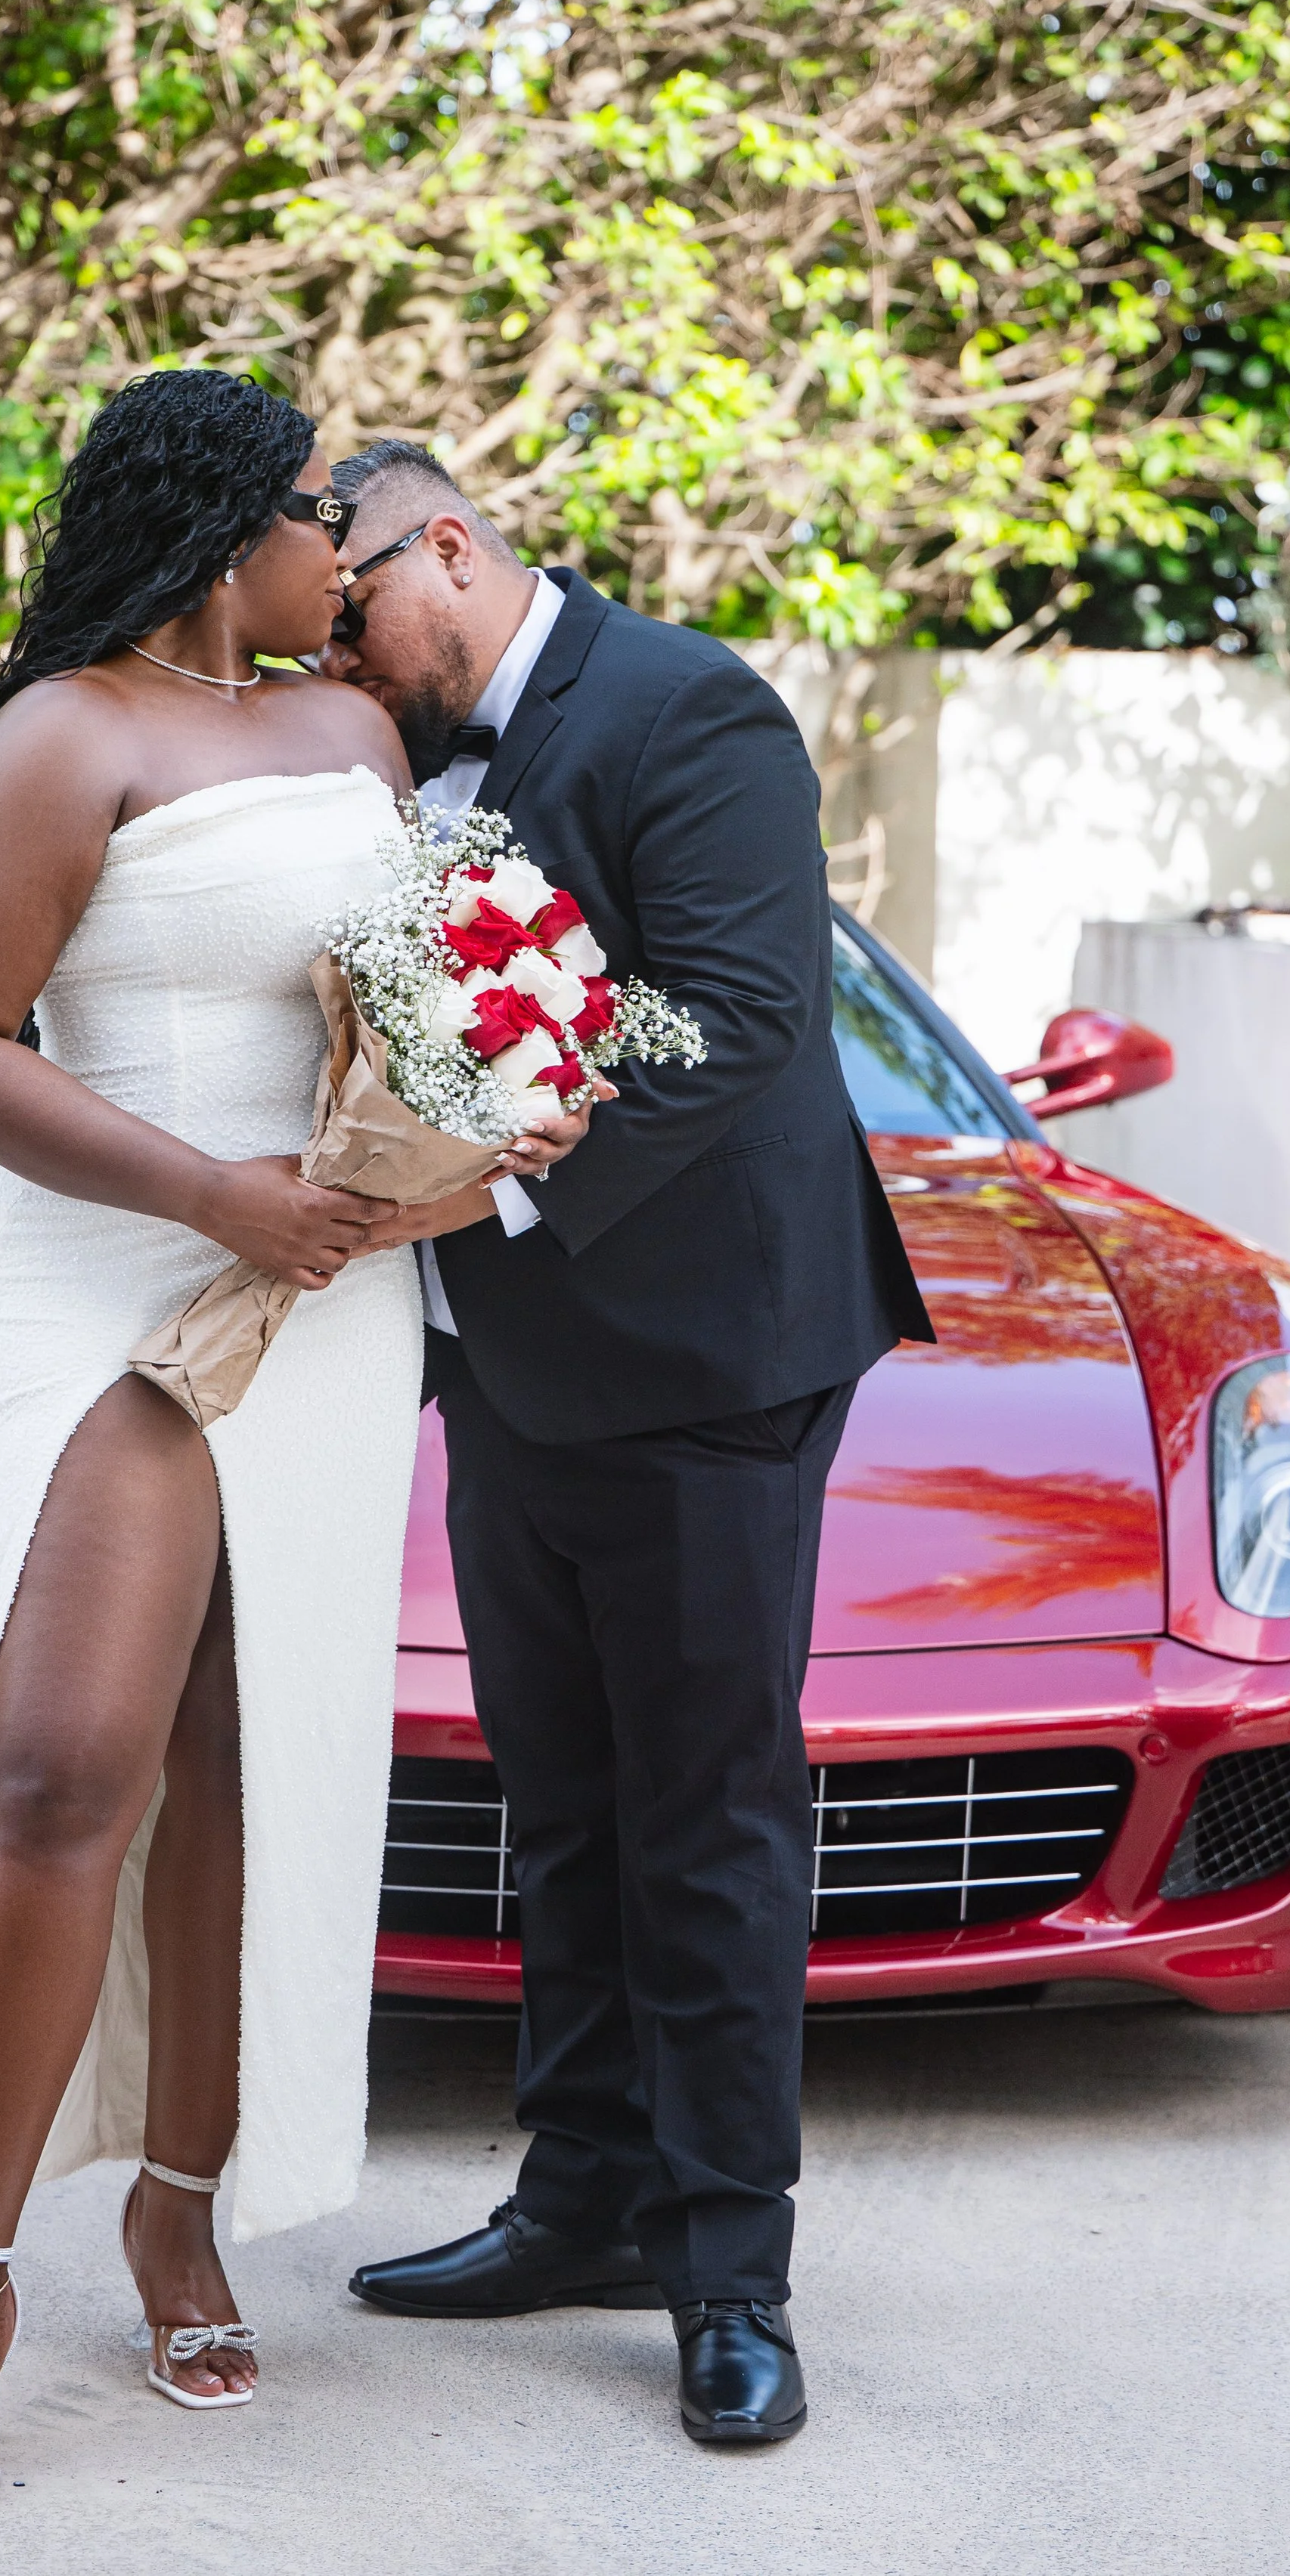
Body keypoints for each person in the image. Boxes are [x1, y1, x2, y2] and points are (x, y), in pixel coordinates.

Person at [0, 376, 587, 2509]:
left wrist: (511, 1106)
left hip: (327, 1295)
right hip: (113, 1284)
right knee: (63, 1761)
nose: (344, 557)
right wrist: (213, 1196)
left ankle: (179, 2204)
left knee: (247, 1760)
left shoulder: (359, 740)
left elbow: (440, 988)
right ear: (220, 532)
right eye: (313, 515)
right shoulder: (59, 736)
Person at [324, 440, 933, 2448]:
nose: (337, 652)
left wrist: (485, 1170)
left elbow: (732, 1016)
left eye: (352, 613)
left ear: (451, 546)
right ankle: (577, 2195)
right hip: (504, 1366)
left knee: (706, 1817)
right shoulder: (380, 755)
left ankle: (727, 2272)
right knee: (560, 1804)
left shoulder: (691, 708)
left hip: (704, 1362)